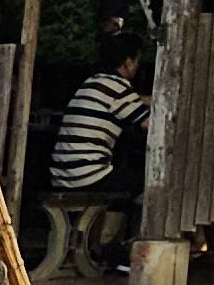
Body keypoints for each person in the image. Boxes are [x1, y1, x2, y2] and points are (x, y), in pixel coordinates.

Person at [46, 40, 148, 199]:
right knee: (149, 180)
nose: (137, 67)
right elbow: (150, 125)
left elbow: (132, 101)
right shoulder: (118, 87)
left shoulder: (92, 82)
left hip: (61, 176)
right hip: (88, 176)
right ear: (128, 62)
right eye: (137, 62)